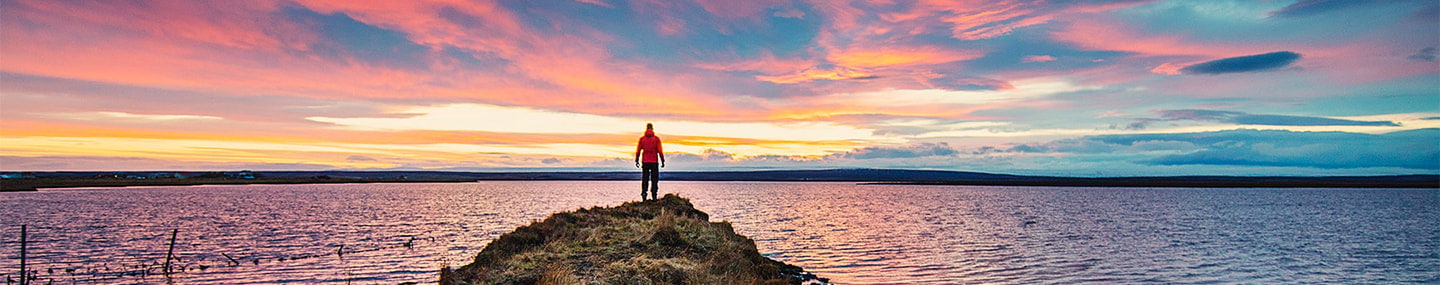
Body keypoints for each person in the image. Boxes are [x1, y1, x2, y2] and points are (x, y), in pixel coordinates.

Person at [635, 123, 665, 201]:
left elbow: (638, 150)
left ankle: (644, 194)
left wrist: (637, 159)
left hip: (645, 161)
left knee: (645, 179)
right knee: (654, 179)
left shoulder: (642, 139)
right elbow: (660, 151)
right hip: (654, 162)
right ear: (652, 129)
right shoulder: (656, 139)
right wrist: (662, 160)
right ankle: (654, 196)